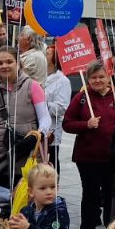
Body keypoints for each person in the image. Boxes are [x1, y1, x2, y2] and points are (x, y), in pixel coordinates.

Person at [64, 64, 115, 229]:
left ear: (108, 77)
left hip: (112, 157)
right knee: (90, 196)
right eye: (93, 78)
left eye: (101, 77)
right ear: (88, 80)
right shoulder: (82, 98)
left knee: (110, 197)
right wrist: (86, 124)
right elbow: (67, 123)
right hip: (87, 156)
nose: (97, 81)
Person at [0, 48, 51, 190]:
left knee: (24, 201)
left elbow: (45, 118)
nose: (4, 66)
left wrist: (39, 133)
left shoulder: (33, 86)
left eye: (9, 61)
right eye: (0, 63)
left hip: (26, 152)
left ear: (18, 63)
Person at [17, 164, 70, 229]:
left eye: (53, 187)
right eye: (42, 188)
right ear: (31, 192)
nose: (49, 191)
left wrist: (28, 228)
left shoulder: (59, 212)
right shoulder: (26, 211)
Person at [42, 46, 71, 176]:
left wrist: (42, 103)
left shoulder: (62, 81)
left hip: (52, 129)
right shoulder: (40, 77)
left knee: (51, 160)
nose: (44, 55)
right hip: (37, 127)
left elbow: (61, 108)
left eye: (47, 54)